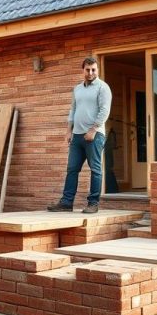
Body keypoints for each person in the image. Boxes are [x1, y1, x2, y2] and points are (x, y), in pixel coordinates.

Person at [48, 56, 112, 214]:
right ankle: (66, 203)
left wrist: (93, 130)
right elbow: (73, 110)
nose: (91, 73)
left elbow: (105, 110)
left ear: (97, 70)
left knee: (95, 169)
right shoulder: (77, 89)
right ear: (83, 70)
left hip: (94, 136)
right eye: (88, 70)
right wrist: (68, 130)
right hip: (77, 135)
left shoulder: (103, 88)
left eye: (93, 70)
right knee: (72, 169)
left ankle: (93, 203)